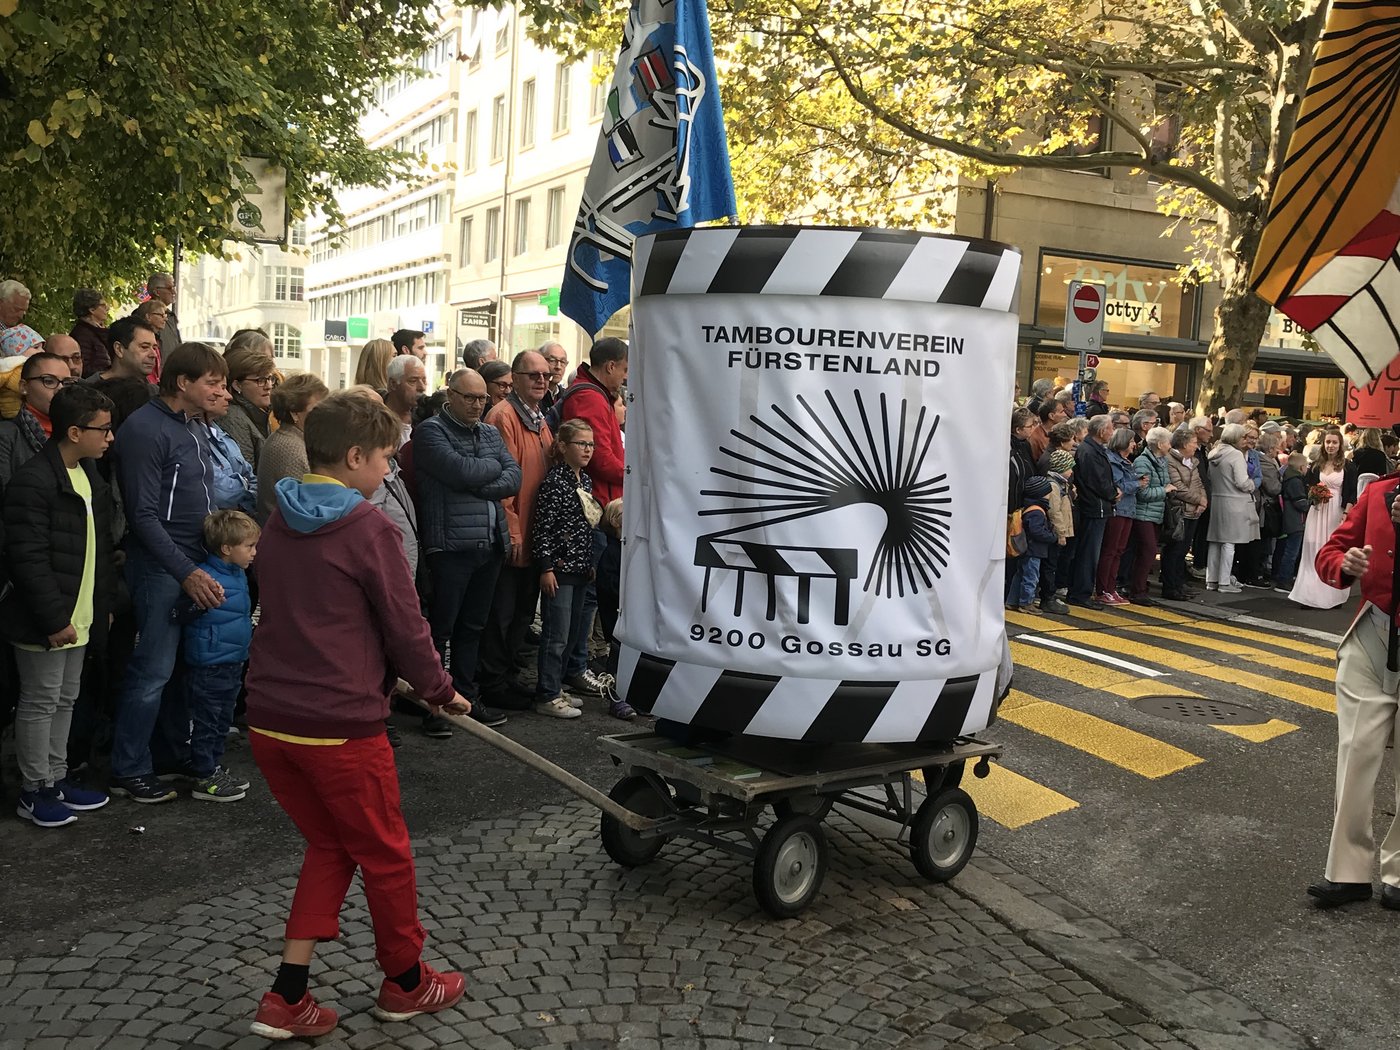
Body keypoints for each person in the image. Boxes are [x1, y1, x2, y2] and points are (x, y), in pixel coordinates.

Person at [243, 391, 469, 1039]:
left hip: (271, 719)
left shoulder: (279, 518)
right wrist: (438, 687)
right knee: (387, 855)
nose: (390, 472)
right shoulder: (370, 528)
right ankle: (405, 982)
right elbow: (405, 623)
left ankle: (286, 995)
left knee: (332, 844)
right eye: (385, 460)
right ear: (352, 456)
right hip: (338, 727)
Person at [108, 342, 230, 804]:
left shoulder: (194, 425)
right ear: (183, 383)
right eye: (213, 382)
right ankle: (128, 767)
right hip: (162, 566)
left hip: (190, 561)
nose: (221, 391)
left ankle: (168, 754)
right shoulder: (145, 428)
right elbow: (143, 516)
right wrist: (185, 571)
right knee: (153, 670)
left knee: (181, 669)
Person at [0, 385, 117, 827]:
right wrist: (53, 618)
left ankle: (55, 776)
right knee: (41, 700)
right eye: (103, 430)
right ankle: (35, 789)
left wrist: (100, 605)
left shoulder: (88, 476)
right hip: (47, 619)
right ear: (73, 431)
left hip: (80, 613)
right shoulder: (33, 480)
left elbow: (98, 550)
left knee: (66, 698)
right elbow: (26, 558)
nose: (110, 439)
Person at [1306, 476, 1400, 908]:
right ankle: (1347, 872)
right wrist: (1344, 563)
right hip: (1373, 635)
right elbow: (1330, 551)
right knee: (1356, 753)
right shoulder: (1380, 492)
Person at [414, 369, 520, 728]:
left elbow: (513, 476)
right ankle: (435, 704)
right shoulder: (430, 431)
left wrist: (481, 481)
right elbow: (459, 472)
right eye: (470, 397)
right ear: (451, 394)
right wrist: (489, 471)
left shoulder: (489, 432)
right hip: (450, 546)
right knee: (441, 628)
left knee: (473, 627)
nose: (478, 404)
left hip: (489, 543)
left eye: (482, 399)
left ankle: (467, 698)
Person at [479, 351, 553, 709]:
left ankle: (505, 676)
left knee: (522, 612)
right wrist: (514, 533)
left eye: (546, 376)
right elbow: (502, 480)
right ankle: (493, 683)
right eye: (533, 375)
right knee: (501, 614)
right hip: (515, 535)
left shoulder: (539, 418)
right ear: (516, 377)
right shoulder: (503, 417)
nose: (542, 381)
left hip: (535, 534)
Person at [181, 510, 259, 802]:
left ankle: (212, 767)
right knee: (208, 719)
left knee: (222, 718)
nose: (254, 552)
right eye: (249, 546)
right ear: (227, 548)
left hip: (231, 660)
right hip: (210, 663)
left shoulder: (237, 574)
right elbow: (184, 613)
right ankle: (204, 775)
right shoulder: (206, 577)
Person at [1291, 428, 1358, 609]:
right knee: (1312, 547)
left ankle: (1332, 594)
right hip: (1318, 510)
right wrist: (1314, 495)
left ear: (1340, 445)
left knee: (1330, 550)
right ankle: (1309, 594)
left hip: (1336, 511)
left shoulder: (1349, 467)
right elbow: (1309, 487)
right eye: (1328, 442)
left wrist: (1346, 514)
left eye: (1334, 442)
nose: (1330, 446)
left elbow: (1352, 493)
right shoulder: (1315, 466)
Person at [257, 374, 329, 525]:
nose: (325, 414)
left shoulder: (291, 438)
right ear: (294, 413)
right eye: (316, 409)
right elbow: (307, 507)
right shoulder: (289, 449)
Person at [0, 353, 74, 492]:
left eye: (66, 383)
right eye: (49, 381)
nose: (60, 389)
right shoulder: (6, 436)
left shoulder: (76, 432)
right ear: (24, 386)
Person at [1068, 415, 1117, 609]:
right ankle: (1081, 593)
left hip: (1097, 506)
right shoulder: (1089, 452)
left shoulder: (1092, 450)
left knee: (1088, 552)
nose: (1112, 433)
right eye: (1111, 428)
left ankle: (1080, 591)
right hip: (1094, 507)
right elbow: (1097, 481)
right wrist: (1113, 493)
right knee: (1088, 553)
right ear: (1102, 431)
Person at [1205, 423, 1258, 595]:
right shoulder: (1235, 455)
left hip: (1218, 499)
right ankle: (1224, 581)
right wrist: (1252, 485)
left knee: (1215, 541)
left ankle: (1211, 579)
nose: (1245, 440)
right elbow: (1242, 482)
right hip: (1235, 502)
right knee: (1229, 543)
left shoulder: (1214, 453)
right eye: (1243, 436)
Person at [81, 316, 158, 431]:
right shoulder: (86, 393)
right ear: (119, 349)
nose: (154, 354)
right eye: (144, 347)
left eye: (155, 348)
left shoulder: (156, 394)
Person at [1126, 427, 1174, 604]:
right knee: (1148, 551)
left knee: (1147, 552)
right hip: (1143, 513)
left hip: (1155, 513)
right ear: (1160, 444)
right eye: (1168, 442)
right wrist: (1164, 490)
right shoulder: (1143, 462)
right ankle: (1137, 590)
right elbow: (1142, 493)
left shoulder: (1162, 461)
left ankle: (1139, 588)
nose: (1170, 446)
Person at [1095, 427, 1141, 606]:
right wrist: (1137, 483)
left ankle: (1111, 587)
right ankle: (1103, 589)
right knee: (1110, 550)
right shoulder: (1113, 461)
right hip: (1118, 509)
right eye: (1130, 441)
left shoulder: (1126, 461)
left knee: (1119, 550)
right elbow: (1119, 485)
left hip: (1128, 509)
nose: (1134, 444)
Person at [1161, 429, 1206, 600]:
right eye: (1194, 442)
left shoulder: (1192, 461)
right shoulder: (1171, 461)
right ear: (1185, 444)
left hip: (1193, 511)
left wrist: (1203, 499)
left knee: (1183, 550)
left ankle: (1179, 584)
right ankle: (1170, 586)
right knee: (1175, 550)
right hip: (1179, 510)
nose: (1196, 445)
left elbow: (1199, 482)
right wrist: (1199, 500)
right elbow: (1178, 486)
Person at [1007, 476, 1058, 614]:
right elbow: (1036, 531)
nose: (1049, 495)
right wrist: (1052, 537)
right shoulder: (1037, 511)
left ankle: (1012, 601)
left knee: (1020, 575)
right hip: (1034, 549)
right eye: (1048, 492)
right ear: (1041, 494)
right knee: (1031, 576)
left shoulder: (1029, 508)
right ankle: (1026, 603)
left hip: (1025, 548)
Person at [222, 346, 276, 468]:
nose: (268, 386)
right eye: (260, 380)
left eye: (270, 379)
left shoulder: (257, 412)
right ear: (237, 385)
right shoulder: (234, 419)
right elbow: (246, 472)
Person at [1273, 451, 1310, 592]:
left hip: (1288, 518)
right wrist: (1312, 501)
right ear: (1301, 467)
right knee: (1292, 551)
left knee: (1285, 548)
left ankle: (1280, 576)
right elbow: (1300, 503)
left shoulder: (1287, 477)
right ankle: (1284, 580)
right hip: (1295, 520)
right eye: (1306, 466)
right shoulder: (1295, 481)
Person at [385, 355, 428, 448]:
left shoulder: (426, 417)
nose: (422, 387)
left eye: (424, 380)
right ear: (393, 384)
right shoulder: (375, 418)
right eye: (413, 381)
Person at [70, 289, 111, 376]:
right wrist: (109, 373)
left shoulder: (98, 331)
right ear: (92, 309)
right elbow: (83, 369)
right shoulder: (81, 334)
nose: (107, 308)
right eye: (103, 305)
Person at [146, 272, 183, 362]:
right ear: (157, 292)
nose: (174, 292)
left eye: (174, 287)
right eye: (170, 288)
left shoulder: (171, 316)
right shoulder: (143, 313)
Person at [131, 298, 171, 382]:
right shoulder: (135, 337)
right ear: (148, 316)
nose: (165, 319)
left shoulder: (158, 339)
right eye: (161, 315)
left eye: (165, 315)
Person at [538, 342, 569, 412]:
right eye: (552, 360)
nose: (558, 366)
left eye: (563, 362)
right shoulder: (534, 394)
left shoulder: (566, 396)